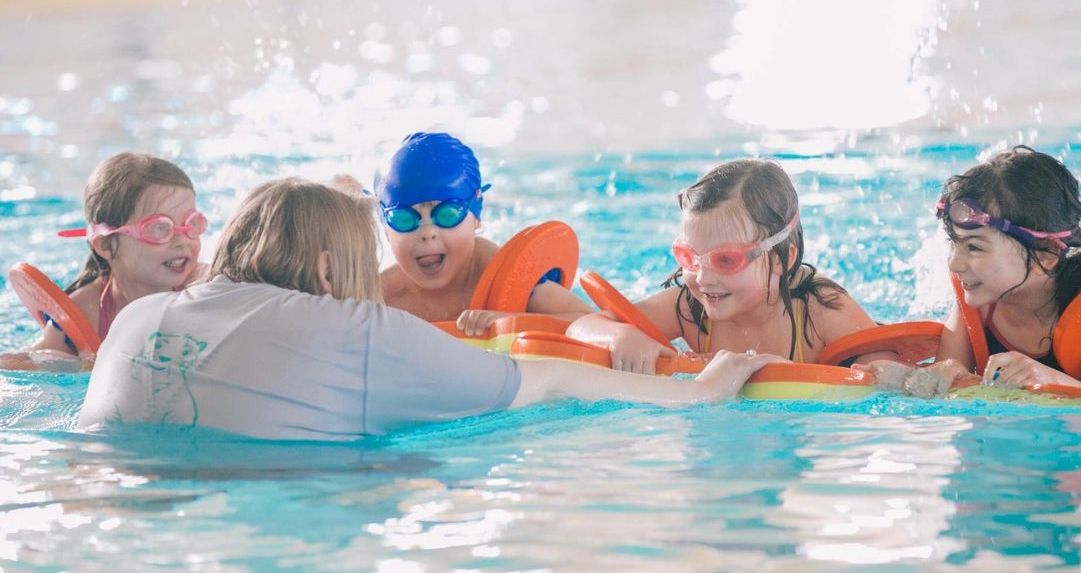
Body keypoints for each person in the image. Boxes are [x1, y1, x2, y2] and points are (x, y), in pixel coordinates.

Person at [77, 179, 780, 441]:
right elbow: (550, 379)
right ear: (329, 267)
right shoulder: (358, 333)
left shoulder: (141, 317)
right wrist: (697, 392)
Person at [862, 145, 1081, 399]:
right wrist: (938, 374)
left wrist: (1046, 378)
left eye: (974, 247)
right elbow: (950, 382)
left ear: (1045, 256)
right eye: (954, 243)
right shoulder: (979, 295)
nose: (954, 263)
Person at [567, 158, 888, 374]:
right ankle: (546, 289)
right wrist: (620, 337)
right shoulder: (691, 308)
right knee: (567, 314)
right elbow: (581, 327)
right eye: (690, 258)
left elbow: (886, 355)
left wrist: (872, 368)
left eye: (726, 260)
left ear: (782, 259)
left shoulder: (821, 309)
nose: (704, 278)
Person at [0, 153, 206, 371]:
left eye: (192, 223)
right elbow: (32, 364)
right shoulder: (86, 312)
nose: (182, 241)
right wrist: (79, 366)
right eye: (159, 228)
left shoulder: (205, 288)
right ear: (106, 245)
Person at [375, 132, 592, 333]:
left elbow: (590, 320)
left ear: (476, 218)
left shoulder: (507, 277)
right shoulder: (381, 298)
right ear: (386, 230)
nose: (427, 232)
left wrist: (513, 322)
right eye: (404, 219)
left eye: (448, 214)